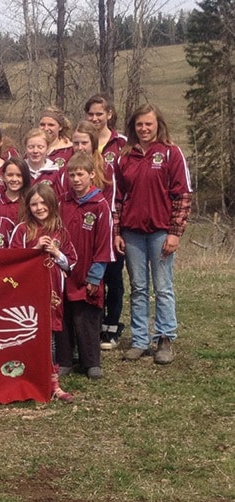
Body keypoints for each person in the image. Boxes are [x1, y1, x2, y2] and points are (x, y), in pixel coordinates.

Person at [114, 104, 192, 364]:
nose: (144, 129)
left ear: (158, 124)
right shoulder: (125, 157)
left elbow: (182, 195)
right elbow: (118, 199)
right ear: (133, 128)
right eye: (139, 125)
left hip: (160, 232)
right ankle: (139, 340)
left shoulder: (170, 153)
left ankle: (165, 338)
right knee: (137, 287)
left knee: (163, 287)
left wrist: (175, 232)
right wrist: (117, 231)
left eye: (148, 124)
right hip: (133, 232)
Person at [10, 184, 76, 402]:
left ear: (52, 203)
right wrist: (34, 250)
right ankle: (24, 381)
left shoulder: (60, 230)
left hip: (52, 294)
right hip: (27, 295)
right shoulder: (22, 230)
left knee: (50, 337)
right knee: (26, 336)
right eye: (34, 203)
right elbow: (11, 261)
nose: (39, 208)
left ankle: (53, 383)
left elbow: (71, 265)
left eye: (42, 202)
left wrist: (56, 252)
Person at [57, 152, 114, 380]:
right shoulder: (62, 202)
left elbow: (104, 244)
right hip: (64, 271)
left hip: (87, 272)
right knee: (64, 316)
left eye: (80, 174)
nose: (76, 179)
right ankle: (64, 360)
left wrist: (95, 276)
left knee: (86, 317)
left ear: (92, 175)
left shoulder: (100, 205)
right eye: (72, 175)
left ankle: (91, 361)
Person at [84, 95, 128, 349]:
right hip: (89, 221)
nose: (95, 118)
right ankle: (94, 324)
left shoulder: (120, 144)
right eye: (91, 114)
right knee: (93, 275)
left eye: (99, 113)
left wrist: (119, 220)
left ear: (109, 114)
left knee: (113, 276)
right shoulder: (83, 144)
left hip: (114, 222)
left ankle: (112, 326)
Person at [24, 128, 63, 197]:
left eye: (40, 147)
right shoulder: (19, 170)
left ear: (47, 149)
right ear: (25, 149)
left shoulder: (55, 172)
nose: (35, 151)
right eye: (31, 147)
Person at [0, 157, 31, 224]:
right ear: (3, 176)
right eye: (10, 175)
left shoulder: (30, 201)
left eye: (19, 175)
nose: (14, 179)